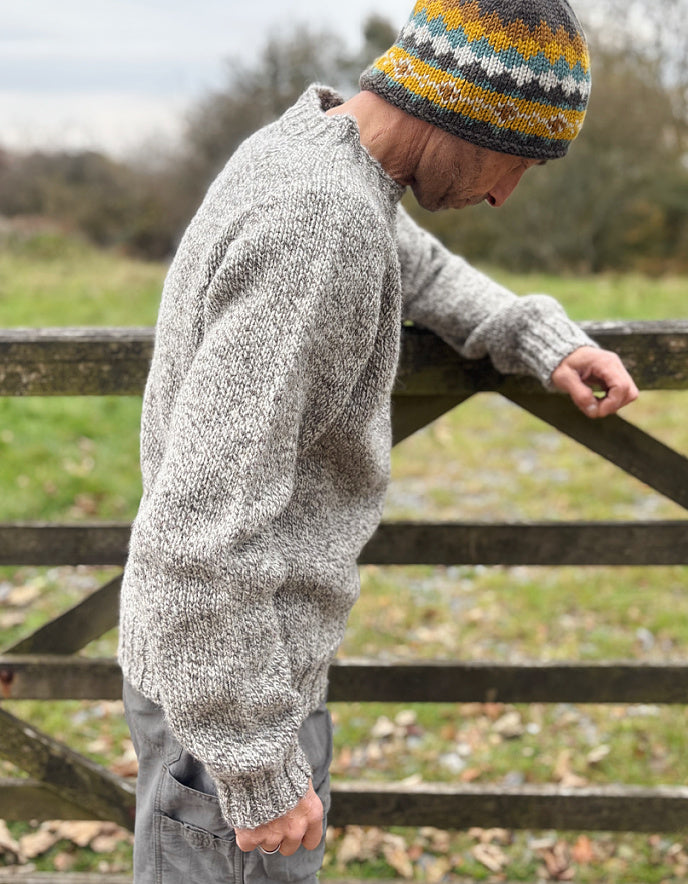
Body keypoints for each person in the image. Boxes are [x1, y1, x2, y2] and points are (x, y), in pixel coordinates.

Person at [118, 0, 638, 881]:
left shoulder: (315, 150)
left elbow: (419, 263)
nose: (507, 194)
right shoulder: (320, 229)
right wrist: (258, 770)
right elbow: (198, 532)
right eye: (515, 161)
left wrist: (535, 335)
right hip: (236, 689)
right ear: (458, 111)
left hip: (225, 675)